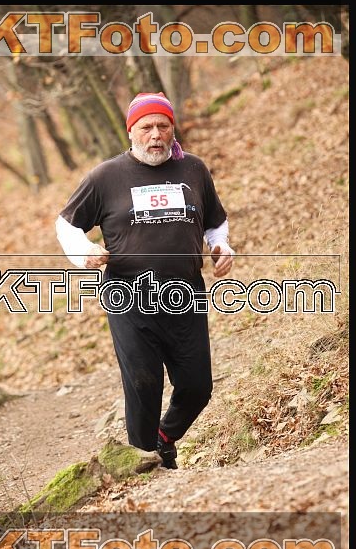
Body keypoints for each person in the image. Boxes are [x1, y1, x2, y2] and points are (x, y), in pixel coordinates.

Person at [56, 92, 234, 469]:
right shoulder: (106, 177)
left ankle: (163, 439)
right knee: (143, 383)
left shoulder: (194, 170)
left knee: (197, 386)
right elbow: (66, 224)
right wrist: (84, 251)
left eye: (162, 126)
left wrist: (221, 246)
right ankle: (143, 463)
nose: (155, 134)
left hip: (185, 294)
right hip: (128, 296)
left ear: (172, 130)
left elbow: (215, 221)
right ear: (131, 132)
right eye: (146, 127)